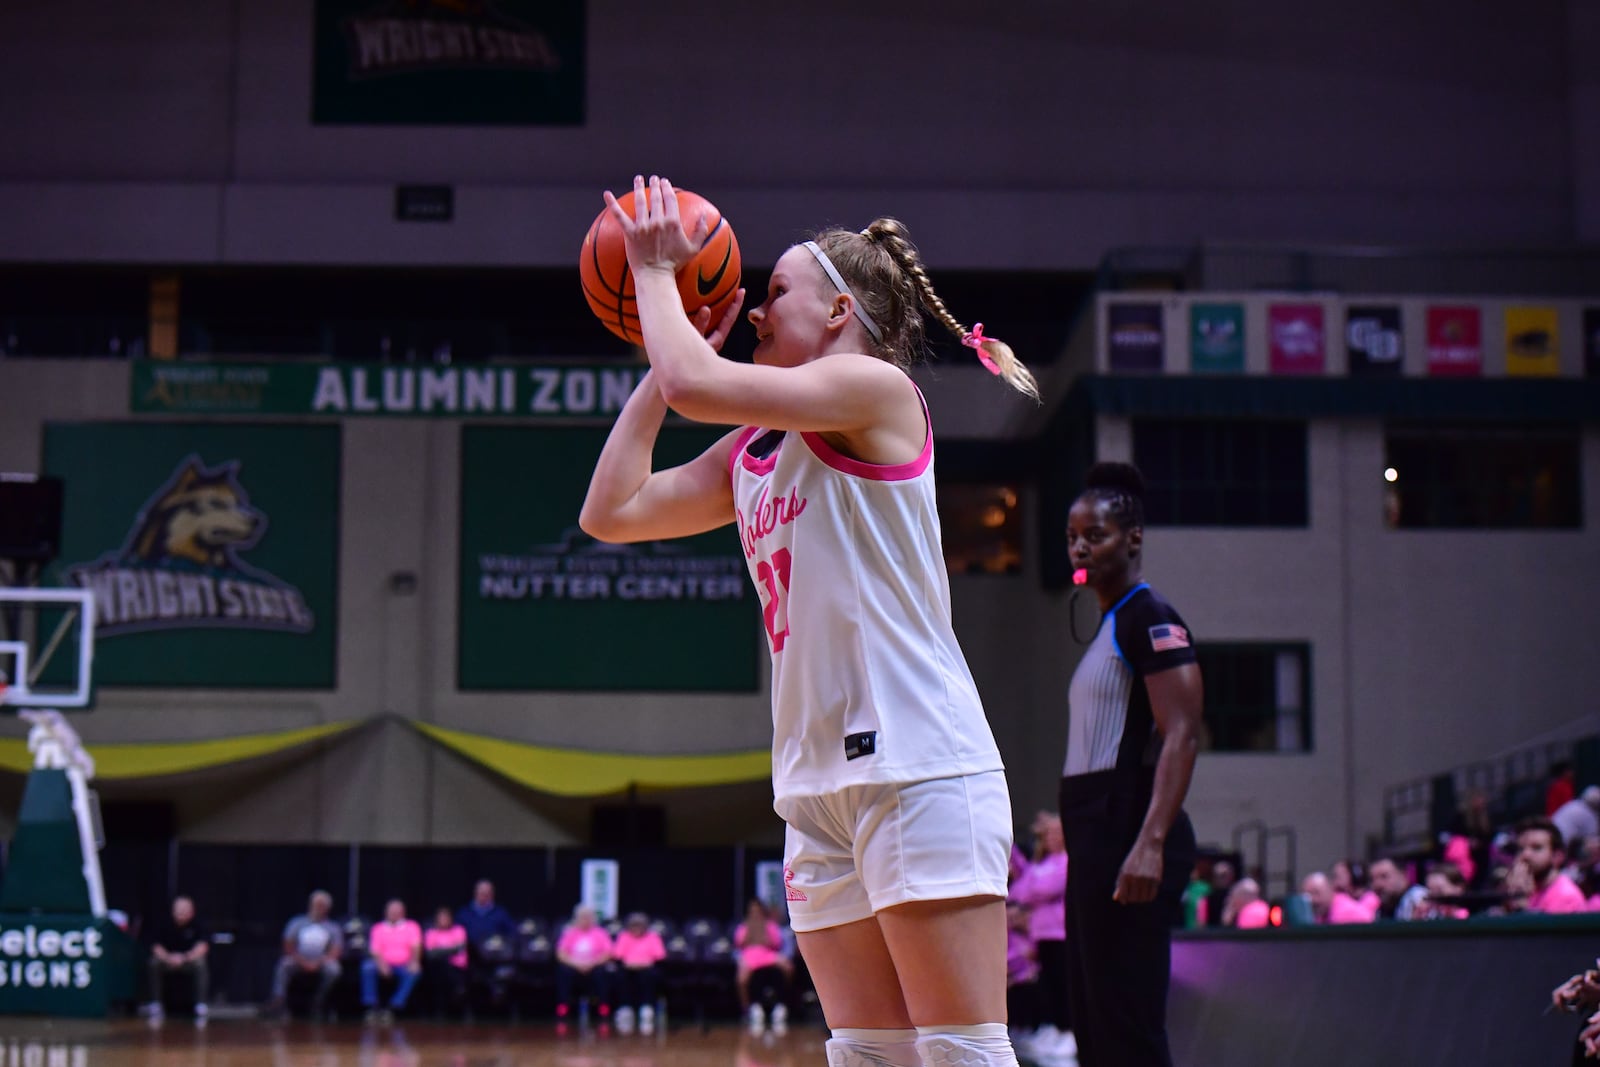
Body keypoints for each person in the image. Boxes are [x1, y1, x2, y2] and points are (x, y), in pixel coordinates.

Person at [582, 174, 1037, 1067]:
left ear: (838, 310)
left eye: (775, 290)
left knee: (962, 1053)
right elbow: (612, 509)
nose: (753, 310)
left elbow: (697, 381)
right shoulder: (751, 448)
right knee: (868, 1056)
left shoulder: (876, 391)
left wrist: (657, 277)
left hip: (917, 761)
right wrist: (663, 366)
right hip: (814, 782)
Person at [1056, 461, 1201, 1067]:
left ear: (1133, 537)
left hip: (1128, 833)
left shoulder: (1151, 616)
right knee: (1094, 1023)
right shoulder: (1112, 623)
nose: (1080, 547)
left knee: (1127, 1025)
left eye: (1096, 535)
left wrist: (1150, 844)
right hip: (1095, 836)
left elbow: (1183, 733)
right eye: (1073, 536)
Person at [1008, 814, 1074, 1061]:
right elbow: (1019, 891)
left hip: (1060, 932)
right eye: (1049, 834)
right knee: (1050, 984)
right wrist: (1033, 889)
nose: (1052, 838)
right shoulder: (1043, 863)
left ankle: (1069, 1031)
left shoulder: (1067, 861)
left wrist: (1033, 890)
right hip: (1041, 933)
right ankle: (1055, 1027)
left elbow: (1045, 888)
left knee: (1063, 983)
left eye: (1057, 833)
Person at [264, 890, 343, 1020]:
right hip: (298, 960)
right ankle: (278, 1001)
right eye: (316, 905)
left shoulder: (333, 927)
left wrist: (317, 963)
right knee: (284, 965)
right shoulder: (297, 923)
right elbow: (288, 946)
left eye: (322, 906)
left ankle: (319, 1001)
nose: (318, 908)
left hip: (321, 962)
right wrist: (303, 962)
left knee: (334, 970)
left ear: (328, 908)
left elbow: (336, 950)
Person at [141, 895, 209, 1024]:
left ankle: (200, 1005)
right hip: (167, 961)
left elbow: (203, 946)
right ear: (173, 910)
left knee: (200, 964)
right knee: (153, 963)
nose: (181, 913)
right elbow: (155, 946)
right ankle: (155, 1003)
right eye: (179, 910)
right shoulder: (163, 922)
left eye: (185, 910)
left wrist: (185, 958)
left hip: (188, 961)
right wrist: (168, 958)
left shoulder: (198, 923)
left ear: (192, 911)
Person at [1507, 817, 1590, 914]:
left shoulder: (1565, 896)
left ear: (1557, 856)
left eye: (1536, 848)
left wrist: (1520, 906)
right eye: (1521, 849)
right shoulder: (1530, 890)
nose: (1525, 855)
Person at [736, 899, 793, 1035]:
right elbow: (739, 944)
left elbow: (777, 943)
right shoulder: (744, 926)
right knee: (742, 979)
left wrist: (765, 938)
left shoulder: (770, 926)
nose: (755, 914)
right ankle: (747, 1009)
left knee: (788, 967)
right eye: (753, 911)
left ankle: (783, 1003)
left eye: (758, 911)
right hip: (750, 955)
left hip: (768, 953)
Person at [361, 898, 422, 1023]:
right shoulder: (378, 928)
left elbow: (416, 946)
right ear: (386, 912)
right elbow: (375, 950)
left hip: (403, 964)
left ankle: (394, 1007)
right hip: (382, 963)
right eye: (391, 911)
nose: (393, 913)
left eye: (396, 911)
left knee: (414, 972)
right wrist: (381, 965)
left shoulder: (412, 926)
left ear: (402, 912)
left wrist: (414, 961)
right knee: (367, 967)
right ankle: (371, 1007)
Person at [555, 905, 613, 1024]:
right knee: (563, 971)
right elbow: (561, 954)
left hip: (594, 965)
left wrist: (592, 963)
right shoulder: (570, 932)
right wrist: (576, 964)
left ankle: (603, 1007)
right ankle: (563, 1006)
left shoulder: (600, 933)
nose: (585, 920)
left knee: (602, 973)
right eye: (582, 917)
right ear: (576, 918)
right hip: (574, 965)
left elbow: (608, 953)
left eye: (588, 917)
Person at [612, 912, 667, 1034]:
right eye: (633, 926)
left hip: (647, 968)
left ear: (645, 926)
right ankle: (625, 1008)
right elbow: (617, 955)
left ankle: (646, 1009)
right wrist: (630, 964)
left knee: (649, 976)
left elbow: (660, 955)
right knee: (620, 976)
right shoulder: (624, 936)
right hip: (628, 968)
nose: (636, 928)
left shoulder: (653, 937)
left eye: (639, 926)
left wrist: (644, 964)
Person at [422, 905, 468, 1018]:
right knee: (441, 965)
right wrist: (451, 950)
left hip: (458, 966)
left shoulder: (459, 930)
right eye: (441, 918)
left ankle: (456, 995)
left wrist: (440, 950)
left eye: (446, 917)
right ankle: (458, 989)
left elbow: (460, 948)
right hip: (437, 968)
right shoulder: (431, 933)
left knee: (445, 964)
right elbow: (430, 954)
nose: (444, 920)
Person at [1554, 787, 1600, 854]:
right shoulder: (1588, 814)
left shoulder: (1574, 803)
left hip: (1553, 838)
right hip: (1562, 845)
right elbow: (1592, 836)